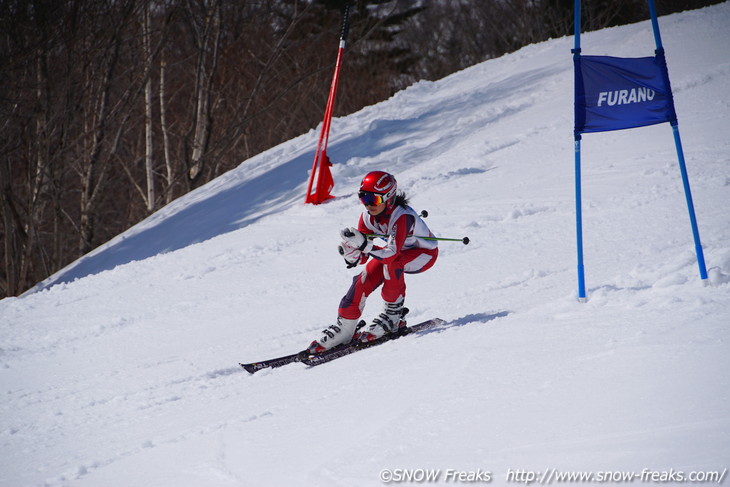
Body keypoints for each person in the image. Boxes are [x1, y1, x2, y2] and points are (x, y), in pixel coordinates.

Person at [307, 171, 439, 353]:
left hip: (423, 255)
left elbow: (391, 255)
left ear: (389, 198)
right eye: (363, 198)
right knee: (362, 279)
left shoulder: (402, 217)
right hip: (393, 254)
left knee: (393, 263)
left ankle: (393, 316)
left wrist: (364, 245)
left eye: (374, 200)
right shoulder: (367, 217)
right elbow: (364, 256)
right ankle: (345, 328)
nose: (368, 205)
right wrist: (352, 254)